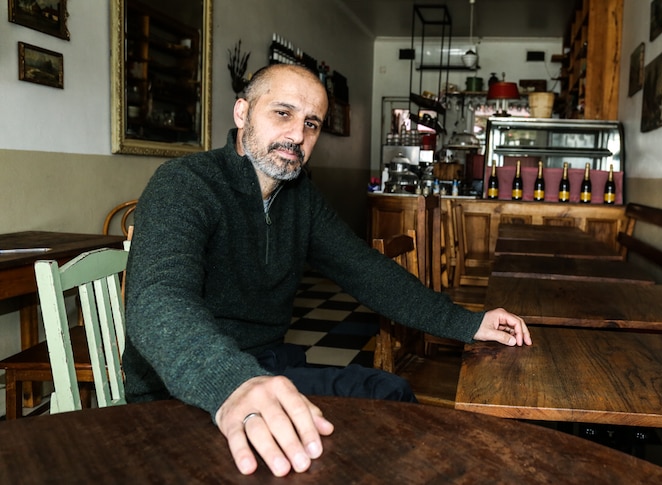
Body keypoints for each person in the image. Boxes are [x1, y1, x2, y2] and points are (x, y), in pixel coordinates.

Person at [124, 63, 531, 478]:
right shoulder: (185, 184)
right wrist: (232, 383)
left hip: (266, 370)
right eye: (282, 113)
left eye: (311, 123)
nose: (298, 135)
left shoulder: (299, 198)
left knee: (388, 393)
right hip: (180, 389)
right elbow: (158, 299)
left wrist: (468, 323)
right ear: (242, 112)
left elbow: (367, 271)